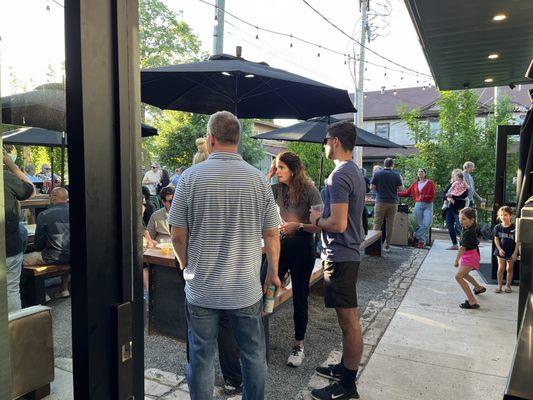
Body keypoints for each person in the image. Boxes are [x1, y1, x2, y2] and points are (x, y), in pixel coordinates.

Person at [168, 110, 281, 400]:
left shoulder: (189, 179)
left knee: (201, 357)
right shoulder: (259, 181)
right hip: (245, 289)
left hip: (202, 287)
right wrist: (272, 272)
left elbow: (178, 235)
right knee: (253, 354)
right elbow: (271, 234)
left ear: (211, 139)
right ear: (238, 139)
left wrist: (185, 264)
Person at [309, 121, 365, 400]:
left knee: (348, 321)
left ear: (336, 141)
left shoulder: (339, 176)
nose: (324, 146)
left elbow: (339, 223)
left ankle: (348, 385)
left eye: (326, 140)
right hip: (346, 253)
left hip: (341, 254)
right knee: (348, 319)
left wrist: (317, 220)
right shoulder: (353, 171)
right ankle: (344, 368)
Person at [266, 151, 322, 367]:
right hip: (280, 246)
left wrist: (298, 225)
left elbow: (319, 225)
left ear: (293, 170)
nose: (278, 171)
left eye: (281, 168)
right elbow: (255, 192)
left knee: (300, 295)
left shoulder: (310, 191)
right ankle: (261, 332)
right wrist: (269, 173)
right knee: (268, 286)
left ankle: (299, 345)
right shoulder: (276, 188)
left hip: (302, 246)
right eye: (276, 167)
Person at [3, 148, 35, 312]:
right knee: (11, 289)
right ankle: (15, 333)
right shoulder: (6, 178)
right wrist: (12, 166)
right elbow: (31, 189)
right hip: (8, 245)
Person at [24, 187, 71, 298]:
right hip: (74, 255)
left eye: (51, 196)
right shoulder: (76, 211)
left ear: (53, 197)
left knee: (21, 261)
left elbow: (38, 245)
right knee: (65, 252)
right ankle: (64, 289)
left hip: (53, 256)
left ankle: (42, 294)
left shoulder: (44, 215)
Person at [454, 207, 486, 309]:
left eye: (463, 219)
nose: (461, 221)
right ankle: (478, 287)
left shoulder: (469, 232)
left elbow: (462, 248)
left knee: (458, 277)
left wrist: (456, 260)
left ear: (472, 220)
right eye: (460, 218)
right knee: (465, 274)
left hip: (470, 256)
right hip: (470, 255)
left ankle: (472, 301)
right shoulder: (468, 227)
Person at [370, 158, 403, 252]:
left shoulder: (377, 174)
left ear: (384, 164)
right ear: (392, 165)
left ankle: (373, 246)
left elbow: (372, 187)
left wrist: (380, 189)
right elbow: (401, 189)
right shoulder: (396, 175)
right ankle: (387, 246)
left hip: (380, 201)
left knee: (377, 224)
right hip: (393, 202)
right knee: (390, 224)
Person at [398, 168, 436, 248]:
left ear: (425, 173)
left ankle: (416, 235)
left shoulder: (430, 183)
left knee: (427, 224)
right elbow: (407, 193)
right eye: (418, 171)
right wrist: (396, 193)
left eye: (421, 171)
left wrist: (424, 196)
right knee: (420, 224)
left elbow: (433, 195)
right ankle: (422, 242)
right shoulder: (415, 183)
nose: (420, 173)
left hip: (428, 205)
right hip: (418, 205)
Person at [492, 206, 520, 293]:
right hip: (501, 251)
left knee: (509, 269)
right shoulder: (497, 227)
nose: (503, 217)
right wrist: (499, 249)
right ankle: (499, 286)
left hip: (511, 251)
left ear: (511, 216)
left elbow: (518, 241)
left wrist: (515, 253)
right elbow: (496, 239)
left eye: (506, 215)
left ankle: (508, 286)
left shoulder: (515, 228)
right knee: (501, 268)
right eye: (501, 215)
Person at [443, 169, 469, 250]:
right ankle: (454, 244)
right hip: (449, 209)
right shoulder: (451, 184)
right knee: (449, 226)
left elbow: (464, 195)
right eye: (453, 176)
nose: (454, 177)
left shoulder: (463, 185)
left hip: (459, 209)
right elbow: (443, 194)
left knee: (459, 226)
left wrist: (452, 196)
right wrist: (448, 199)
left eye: (455, 176)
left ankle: (464, 244)